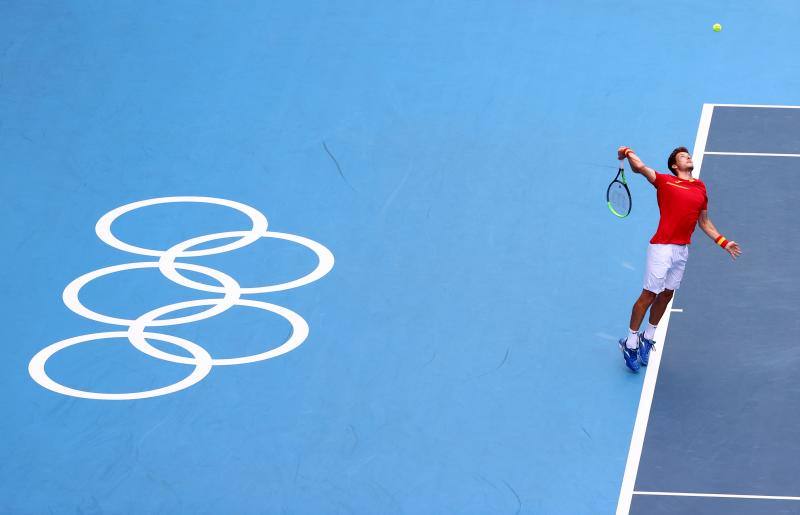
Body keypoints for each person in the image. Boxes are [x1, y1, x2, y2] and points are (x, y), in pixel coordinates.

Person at [617, 146, 742, 372]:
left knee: (667, 294)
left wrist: (723, 242)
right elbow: (641, 169)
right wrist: (627, 152)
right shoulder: (665, 181)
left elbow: (704, 221)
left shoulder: (701, 188)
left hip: (681, 250)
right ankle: (631, 341)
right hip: (661, 248)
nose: (689, 157)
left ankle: (648, 336)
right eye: (684, 156)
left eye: (688, 155)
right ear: (675, 165)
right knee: (649, 294)